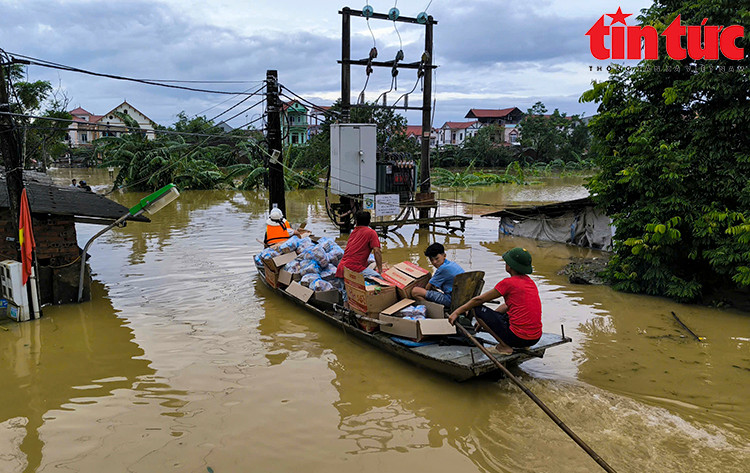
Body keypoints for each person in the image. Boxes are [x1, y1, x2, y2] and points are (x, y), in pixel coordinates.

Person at [448, 247, 542, 355]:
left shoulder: (509, 283)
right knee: (501, 313)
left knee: (476, 308)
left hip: (517, 337)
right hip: (534, 338)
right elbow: (507, 306)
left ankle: (504, 346)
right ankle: (524, 346)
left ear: (509, 266)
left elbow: (479, 299)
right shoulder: (530, 283)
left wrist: (457, 312)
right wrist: (486, 321)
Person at [411, 242, 464, 308]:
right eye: (431, 260)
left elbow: (428, 287)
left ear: (444, 256)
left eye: (437, 259)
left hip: (451, 300)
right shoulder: (452, 264)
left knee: (415, 291)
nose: (434, 262)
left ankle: (430, 310)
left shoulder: (443, 268)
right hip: (461, 299)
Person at [334, 210, 382, 279]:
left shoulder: (353, 232)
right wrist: (380, 270)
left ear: (356, 222)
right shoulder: (371, 232)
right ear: (369, 222)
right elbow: (377, 251)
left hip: (341, 268)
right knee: (379, 278)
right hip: (353, 270)